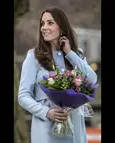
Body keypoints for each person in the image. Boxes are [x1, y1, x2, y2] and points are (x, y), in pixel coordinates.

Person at [18, 6, 97, 143]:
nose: (44, 27)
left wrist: (70, 53)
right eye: (42, 23)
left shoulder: (76, 54)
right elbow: (23, 96)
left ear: (62, 26)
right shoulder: (33, 57)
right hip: (46, 130)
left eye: (50, 22)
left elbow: (92, 79)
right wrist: (46, 112)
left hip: (75, 129)